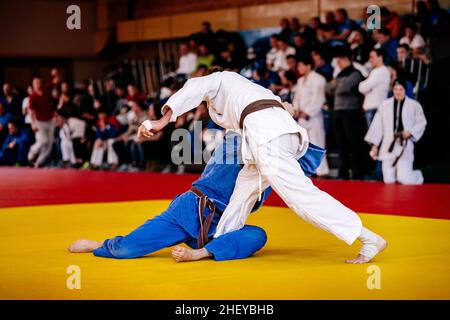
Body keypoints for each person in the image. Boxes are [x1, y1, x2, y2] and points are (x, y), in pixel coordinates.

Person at [140, 70, 387, 264]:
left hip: (268, 138)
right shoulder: (250, 90)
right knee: (242, 193)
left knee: (300, 197)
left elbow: (194, 86)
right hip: (272, 136)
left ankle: (368, 238)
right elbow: (285, 108)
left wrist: (162, 121)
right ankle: (217, 244)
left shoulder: (220, 80)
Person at [68, 130, 324, 261]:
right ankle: (96, 245)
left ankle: (201, 253)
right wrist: (278, 112)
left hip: (222, 224)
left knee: (257, 235)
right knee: (127, 249)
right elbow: (244, 127)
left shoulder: (277, 166)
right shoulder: (238, 143)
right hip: (188, 210)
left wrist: (291, 126)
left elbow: (307, 161)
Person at [365, 79, 427, 184]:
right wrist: (374, 145)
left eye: (401, 89)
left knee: (405, 179)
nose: (398, 92)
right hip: (388, 144)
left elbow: (421, 122)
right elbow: (377, 125)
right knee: (388, 180)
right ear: (392, 90)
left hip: (404, 144)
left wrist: (410, 132)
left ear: (405, 90)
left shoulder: (414, 105)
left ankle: (418, 175)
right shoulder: (385, 105)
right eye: (395, 89)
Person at [326, 48, 365, 180]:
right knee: (341, 143)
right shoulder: (340, 75)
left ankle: (356, 173)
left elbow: (344, 88)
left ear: (347, 59)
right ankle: (343, 173)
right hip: (338, 112)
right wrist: (337, 84)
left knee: (352, 143)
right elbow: (327, 88)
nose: (338, 63)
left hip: (351, 112)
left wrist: (336, 84)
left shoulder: (355, 73)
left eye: (340, 60)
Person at [293, 56, 329, 176]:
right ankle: (308, 170)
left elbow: (319, 98)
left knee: (318, 143)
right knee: (303, 145)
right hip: (301, 117)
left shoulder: (319, 79)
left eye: (300, 65)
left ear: (308, 66)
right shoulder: (300, 81)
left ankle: (322, 171)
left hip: (313, 116)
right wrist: (296, 110)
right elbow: (296, 98)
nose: (298, 68)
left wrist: (307, 112)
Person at [27, 77, 56, 167]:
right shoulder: (32, 97)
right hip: (40, 122)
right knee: (43, 141)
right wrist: (33, 124)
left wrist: (55, 75)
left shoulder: (46, 90)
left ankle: (39, 162)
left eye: (39, 82)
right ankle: (32, 151)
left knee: (50, 143)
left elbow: (55, 81)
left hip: (50, 120)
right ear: (33, 85)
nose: (38, 84)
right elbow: (31, 112)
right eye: (36, 83)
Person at [359, 48, 391, 127]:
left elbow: (363, 88)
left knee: (374, 138)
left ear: (380, 57)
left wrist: (363, 84)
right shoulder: (378, 71)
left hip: (375, 108)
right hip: (374, 108)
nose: (370, 60)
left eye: (372, 57)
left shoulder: (380, 71)